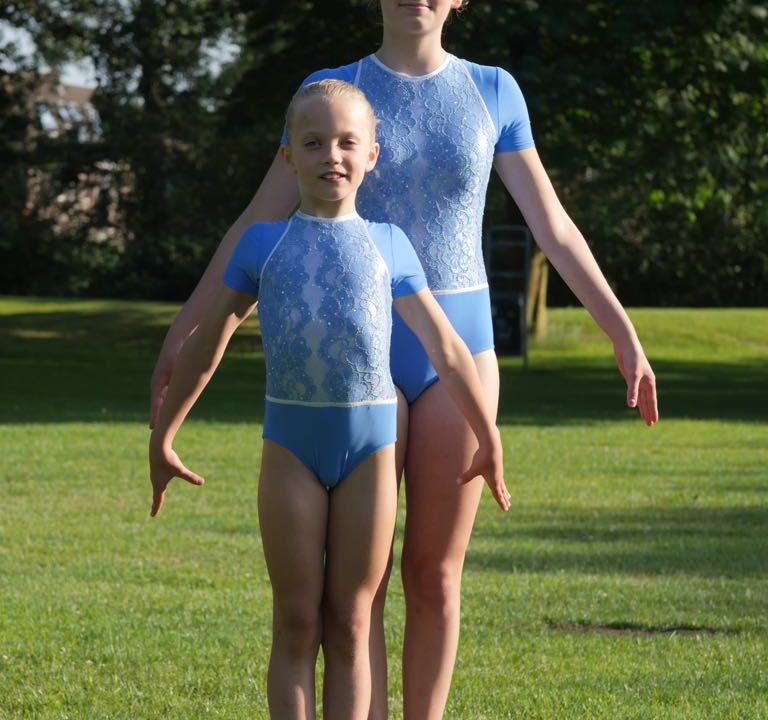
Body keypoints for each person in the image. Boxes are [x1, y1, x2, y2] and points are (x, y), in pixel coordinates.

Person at [149, 2, 659, 717]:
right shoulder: (333, 91)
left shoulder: (494, 90)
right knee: (361, 590)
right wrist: (184, 329)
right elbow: (256, 222)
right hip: (360, 361)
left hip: (460, 353)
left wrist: (620, 330)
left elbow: (553, 226)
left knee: (435, 575)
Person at [148, 79, 509, 720]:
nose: (331, 156)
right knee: (296, 621)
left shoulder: (391, 245)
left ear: (372, 154)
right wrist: (164, 436)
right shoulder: (262, 246)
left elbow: (450, 352)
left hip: (371, 454)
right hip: (291, 451)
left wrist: (489, 437)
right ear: (288, 155)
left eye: (346, 142)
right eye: (313, 143)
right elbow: (208, 348)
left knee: (351, 623)